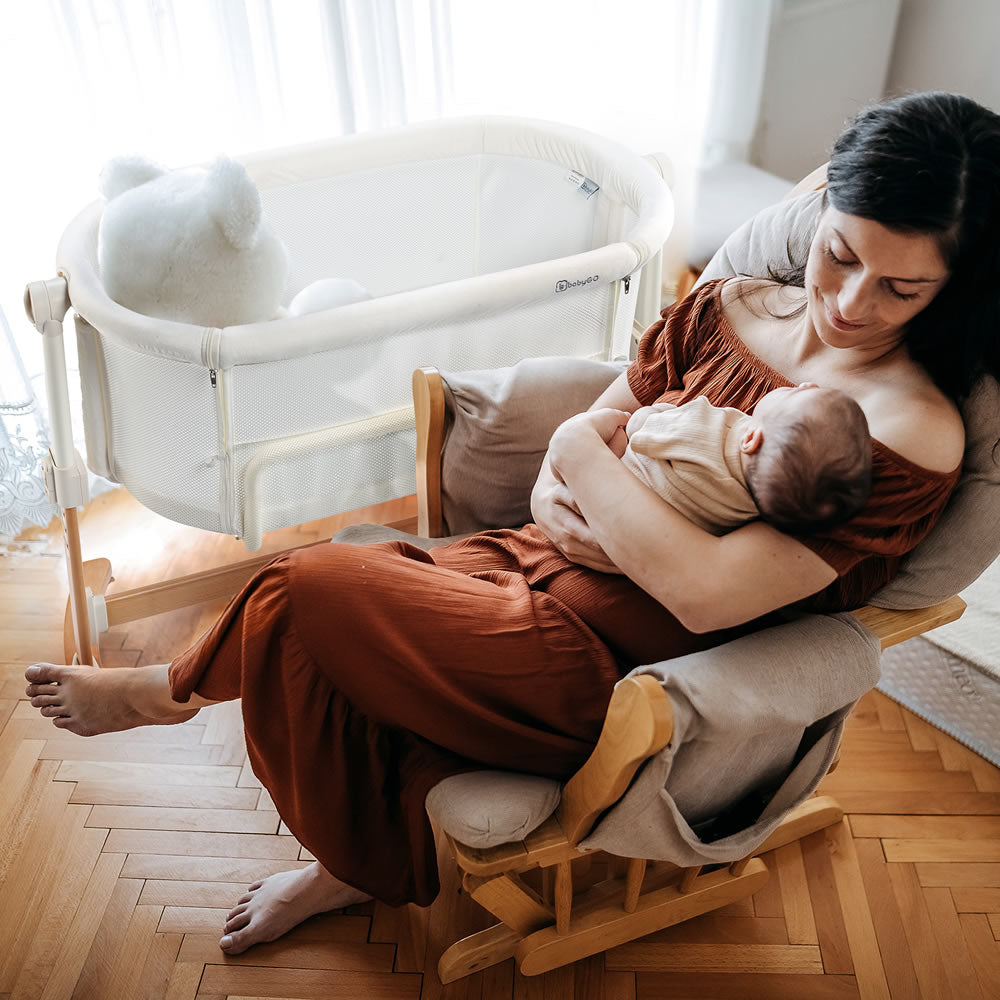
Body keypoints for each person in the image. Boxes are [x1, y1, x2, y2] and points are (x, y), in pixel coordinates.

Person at [23, 92, 1000, 955]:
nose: (846, 301)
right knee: (317, 632)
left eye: (899, 288)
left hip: (601, 670)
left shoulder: (902, 427)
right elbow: (600, 423)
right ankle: (348, 866)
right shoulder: (734, 302)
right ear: (821, 213)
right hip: (526, 562)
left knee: (304, 584)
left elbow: (700, 590)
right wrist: (567, 484)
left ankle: (170, 691)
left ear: (951, 287)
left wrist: (580, 463)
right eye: (839, 254)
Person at [617, 383, 872, 536]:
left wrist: (657, 412)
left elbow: (639, 429)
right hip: (642, 546)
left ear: (750, 438)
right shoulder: (749, 510)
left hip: (617, 496)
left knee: (617, 430)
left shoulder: (704, 429)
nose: (804, 384)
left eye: (794, 393)